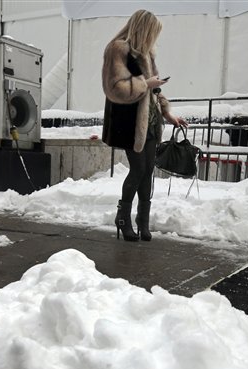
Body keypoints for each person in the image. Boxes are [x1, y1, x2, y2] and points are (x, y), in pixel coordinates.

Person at [101, 9, 187, 242]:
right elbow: (114, 87)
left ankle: (143, 220)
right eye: (153, 32)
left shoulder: (147, 53)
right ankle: (123, 217)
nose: (154, 38)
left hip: (149, 120)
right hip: (128, 121)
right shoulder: (117, 49)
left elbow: (155, 89)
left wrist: (167, 113)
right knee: (138, 169)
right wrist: (145, 83)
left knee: (148, 171)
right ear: (143, 28)